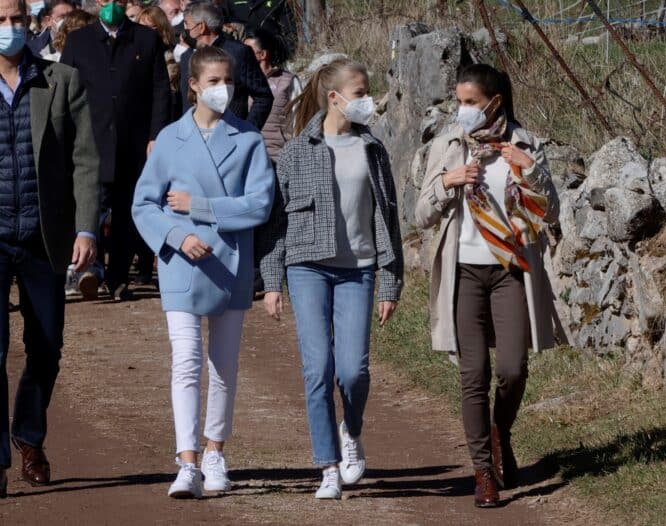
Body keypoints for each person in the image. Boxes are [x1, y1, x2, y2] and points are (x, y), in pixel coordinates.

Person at [414, 63, 561, 509]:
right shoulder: (449, 145)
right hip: (464, 272)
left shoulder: (525, 144)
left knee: (513, 368)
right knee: (473, 374)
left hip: (510, 270)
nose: (462, 110)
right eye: (458, 101)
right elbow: (420, 214)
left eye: (470, 102)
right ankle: (483, 472)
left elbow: (551, 212)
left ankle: (500, 433)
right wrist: (448, 182)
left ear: (494, 103)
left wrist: (530, 171)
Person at [132, 46, 274, 499]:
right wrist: (176, 236)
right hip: (181, 264)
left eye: (228, 80)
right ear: (193, 85)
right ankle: (187, 460)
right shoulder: (169, 139)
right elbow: (144, 204)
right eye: (214, 81)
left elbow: (260, 204)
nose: (223, 89)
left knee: (224, 364)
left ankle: (216, 451)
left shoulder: (249, 139)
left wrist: (203, 207)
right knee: (187, 362)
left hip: (231, 263)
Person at [260, 58, 402, 500]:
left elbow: (388, 219)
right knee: (317, 368)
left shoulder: (372, 149)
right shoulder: (297, 152)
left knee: (353, 370)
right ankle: (327, 466)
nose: (367, 100)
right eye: (360, 93)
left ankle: (351, 429)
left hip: (358, 269)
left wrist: (390, 282)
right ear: (334, 97)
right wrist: (272, 281)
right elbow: (275, 223)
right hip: (307, 267)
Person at [0, 0, 100, 496]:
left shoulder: (60, 80)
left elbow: (85, 159)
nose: (11, 27)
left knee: (46, 346)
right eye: (2, 19)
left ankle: (29, 435)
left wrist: (86, 226)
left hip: (45, 235)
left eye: (18, 18)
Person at [61, 0, 171, 300]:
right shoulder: (79, 41)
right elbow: (64, 89)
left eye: (119, 0)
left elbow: (160, 90)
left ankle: (118, 277)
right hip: (89, 141)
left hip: (132, 141)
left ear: (128, 2)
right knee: (89, 207)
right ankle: (87, 270)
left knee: (126, 211)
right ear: (97, 3)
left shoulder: (146, 39)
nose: (112, 6)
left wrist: (156, 135)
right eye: (106, 0)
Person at [179, 1, 272, 128]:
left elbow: (263, 96)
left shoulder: (238, 53)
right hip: (193, 133)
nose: (186, 31)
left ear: (201, 27)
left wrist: (248, 129)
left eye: (188, 25)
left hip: (231, 130)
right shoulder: (187, 57)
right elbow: (185, 101)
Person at [244, 29, 301, 161]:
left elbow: (299, 119)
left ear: (262, 54)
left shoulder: (288, 81)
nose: (242, 54)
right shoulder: (241, 81)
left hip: (279, 157)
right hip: (249, 156)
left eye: (247, 51)